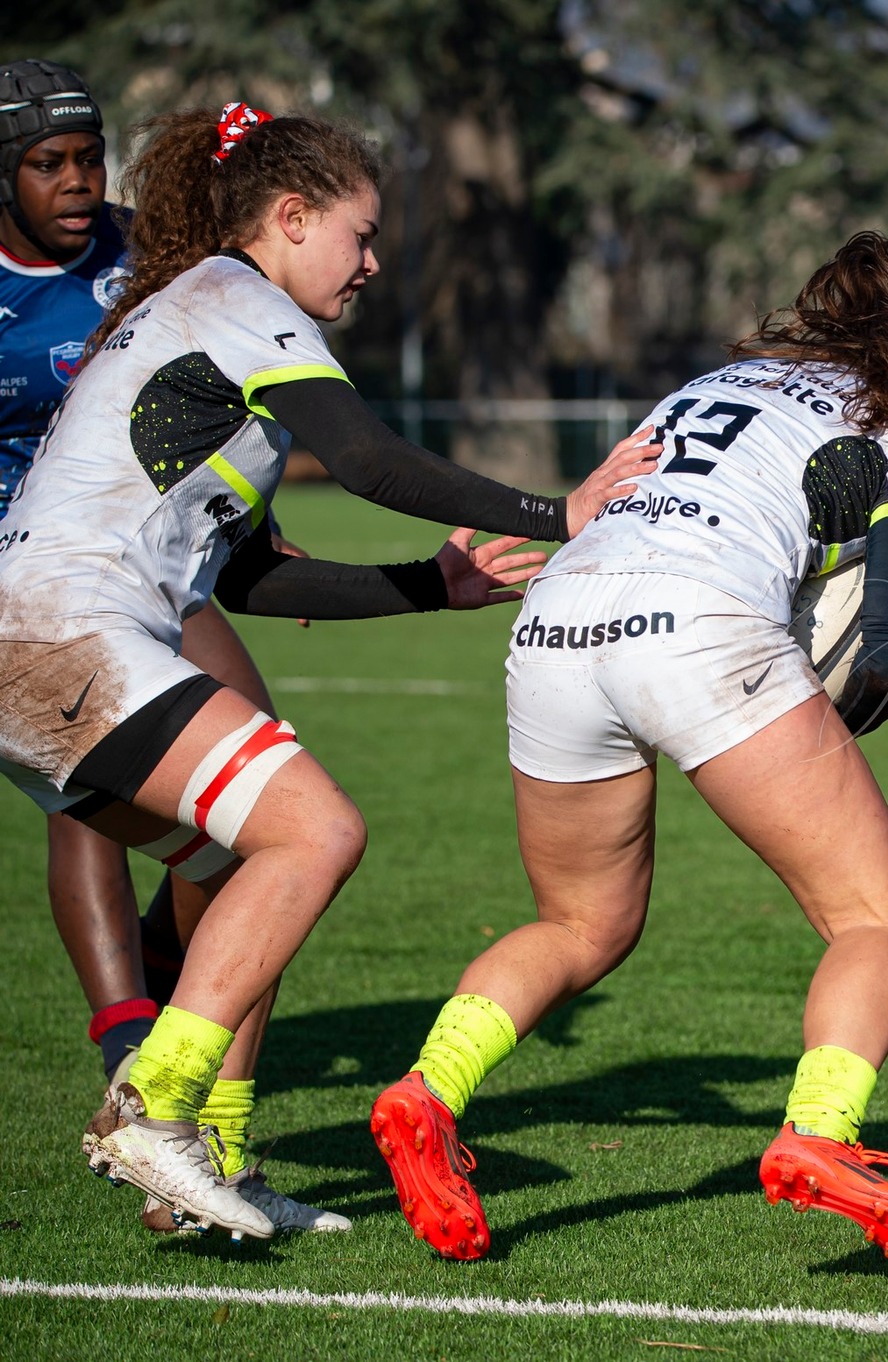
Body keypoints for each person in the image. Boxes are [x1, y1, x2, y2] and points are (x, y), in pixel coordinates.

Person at [0, 100, 657, 1241]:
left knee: (232, 877)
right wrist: (558, 510)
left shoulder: (203, 315)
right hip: (64, 637)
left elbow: (252, 578)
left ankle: (210, 1162)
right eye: (361, 234)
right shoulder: (241, 298)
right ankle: (154, 1108)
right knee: (319, 832)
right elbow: (366, 460)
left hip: (39, 646)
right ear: (292, 217)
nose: (372, 263)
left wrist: (431, 585)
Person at [370, 231, 888, 1263]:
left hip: (556, 616)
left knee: (577, 923)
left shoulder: (710, 385)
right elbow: (887, 632)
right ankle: (820, 1133)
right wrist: (828, 709)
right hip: (700, 628)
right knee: (872, 920)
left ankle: (427, 1089)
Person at [0, 59, 339, 1234]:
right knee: (177, 809)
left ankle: (203, 1136)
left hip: (143, 560)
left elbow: (199, 423)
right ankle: (134, 1062)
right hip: (48, 592)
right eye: (47, 163)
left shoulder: (152, 261)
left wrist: (262, 534)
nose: (77, 181)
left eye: (90, 157)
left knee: (255, 823)